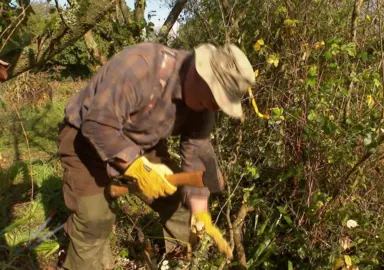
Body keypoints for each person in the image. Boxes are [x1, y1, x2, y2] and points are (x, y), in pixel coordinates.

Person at [56, 42, 255, 269]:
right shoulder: (141, 65)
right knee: (94, 221)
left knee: (183, 205)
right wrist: (137, 167)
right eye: (217, 99)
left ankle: (178, 262)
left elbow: (197, 148)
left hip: (142, 143)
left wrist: (200, 209)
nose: (216, 108)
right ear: (201, 74)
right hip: (85, 140)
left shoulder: (204, 104)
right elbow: (98, 124)